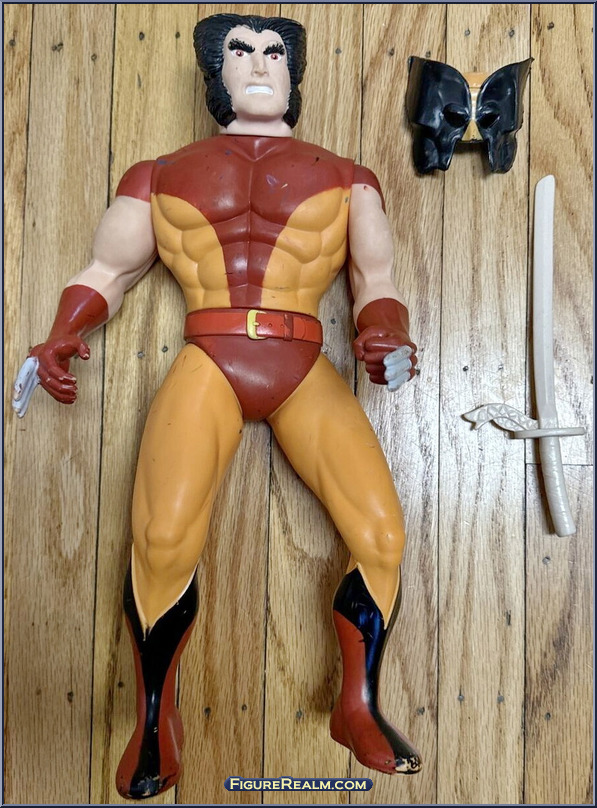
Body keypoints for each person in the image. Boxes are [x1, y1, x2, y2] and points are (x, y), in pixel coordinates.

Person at [14, 13, 421, 800]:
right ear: (217, 71)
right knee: (161, 537)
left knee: (380, 534)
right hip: (211, 356)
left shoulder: (348, 178)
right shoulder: (159, 174)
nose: (259, 63)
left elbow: (375, 282)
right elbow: (107, 272)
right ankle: (155, 722)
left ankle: (359, 704)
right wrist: (62, 333)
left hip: (301, 361)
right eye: (240, 50)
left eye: (274, 52)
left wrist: (386, 335)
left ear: (293, 72)